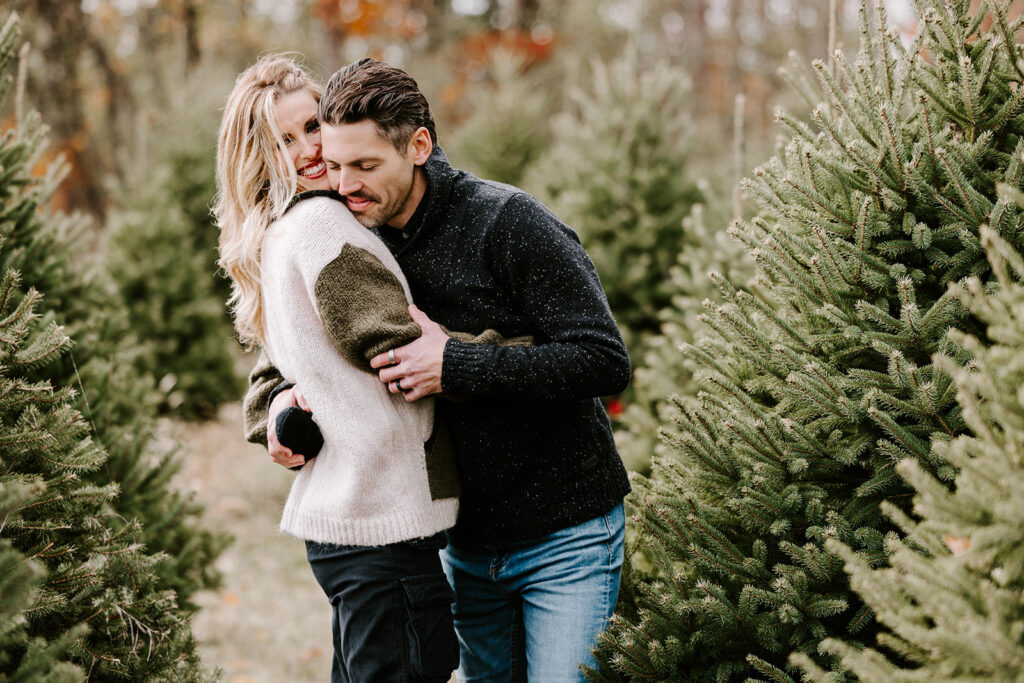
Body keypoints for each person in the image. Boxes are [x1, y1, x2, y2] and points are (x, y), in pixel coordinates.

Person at [245, 57, 632, 682]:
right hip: (457, 546)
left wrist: (455, 364)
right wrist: (276, 415)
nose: (344, 183)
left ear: (418, 145)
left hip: (564, 535)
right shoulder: (347, 232)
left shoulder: (507, 222)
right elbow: (279, 360)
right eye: (336, 164)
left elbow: (602, 359)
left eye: (366, 166)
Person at [216, 54, 525, 683]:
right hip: (382, 526)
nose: (309, 151)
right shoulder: (324, 225)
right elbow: (396, 351)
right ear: (257, 154)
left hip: (346, 529)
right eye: (285, 138)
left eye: (313, 128)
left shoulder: (279, 234)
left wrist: (280, 411)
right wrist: (513, 349)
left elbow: (281, 370)